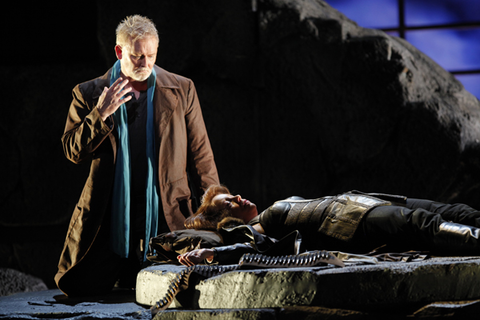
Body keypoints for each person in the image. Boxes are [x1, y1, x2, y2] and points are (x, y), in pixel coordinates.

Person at [55, 15, 219, 296]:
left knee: (181, 290)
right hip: (107, 220)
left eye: (151, 55)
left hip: (169, 217)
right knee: (84, 288)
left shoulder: (182, 89)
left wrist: (214, 218)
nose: (145, 63)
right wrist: (100, 114)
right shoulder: (89, 93)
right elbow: (72, 151)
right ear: (119, 52)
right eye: (137, 55)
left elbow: (201, 158)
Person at [177, 185, 480, 266]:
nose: (239, 198)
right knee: (425, 224)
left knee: (457, 211)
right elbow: (252, 248)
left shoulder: (266, 213)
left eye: (233, 195)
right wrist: (211, 255)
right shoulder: (258, 228)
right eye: (229, 203)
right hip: (353, 222)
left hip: (364, 201)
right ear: (227, 221)